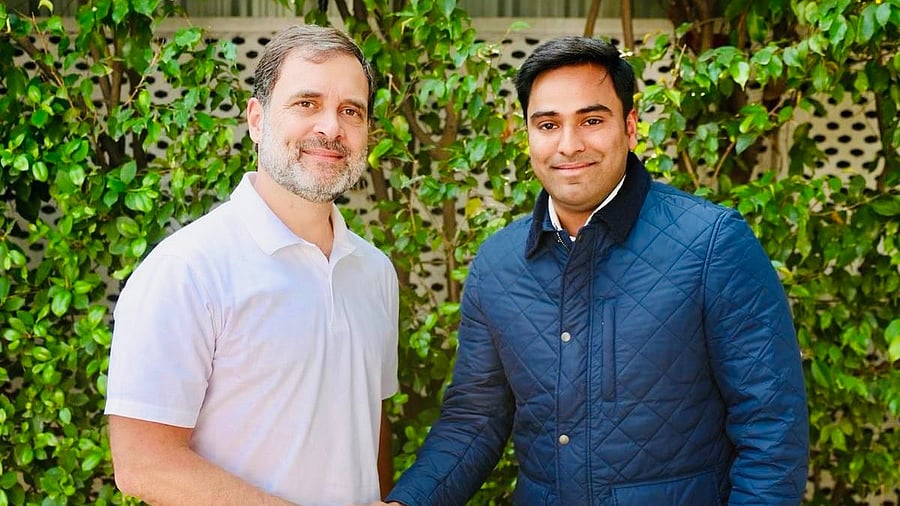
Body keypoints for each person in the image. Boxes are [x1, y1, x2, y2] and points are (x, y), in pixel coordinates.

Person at [380, 35, 809, 505]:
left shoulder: (712, 244)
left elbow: (772, 430)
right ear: (527, 134)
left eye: (591, 120)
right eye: (548, 124)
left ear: (630, 126)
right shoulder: (498, 265)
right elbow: (474, 422)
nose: (569, 144)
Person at [105, 24, 398, 506]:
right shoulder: (187, 270)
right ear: (257, 120)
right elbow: (144, 465)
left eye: (351, 111)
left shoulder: (374, 272)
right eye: (307, 103)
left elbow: (371, 425)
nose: (331, 127)